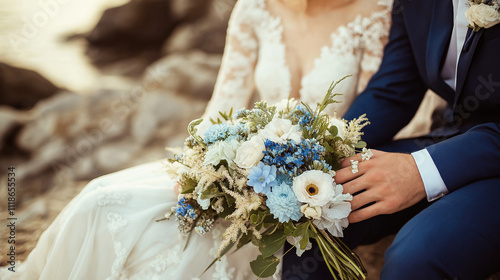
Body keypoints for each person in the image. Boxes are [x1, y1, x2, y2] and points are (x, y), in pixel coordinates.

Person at [2, 0, 439, 279]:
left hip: (315, 183)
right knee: (100, 200)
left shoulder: (377, 13)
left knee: (172, 248)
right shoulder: (254, 9)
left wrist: (299, 173)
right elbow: (219, 109)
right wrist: (203, 164)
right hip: (238, 161)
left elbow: (377, 120)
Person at [282, 0, 500, 279]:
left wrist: (420, 171)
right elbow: (394, 90)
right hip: (453, 136)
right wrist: (323, 149)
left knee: (415, 257)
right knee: (315, 212)